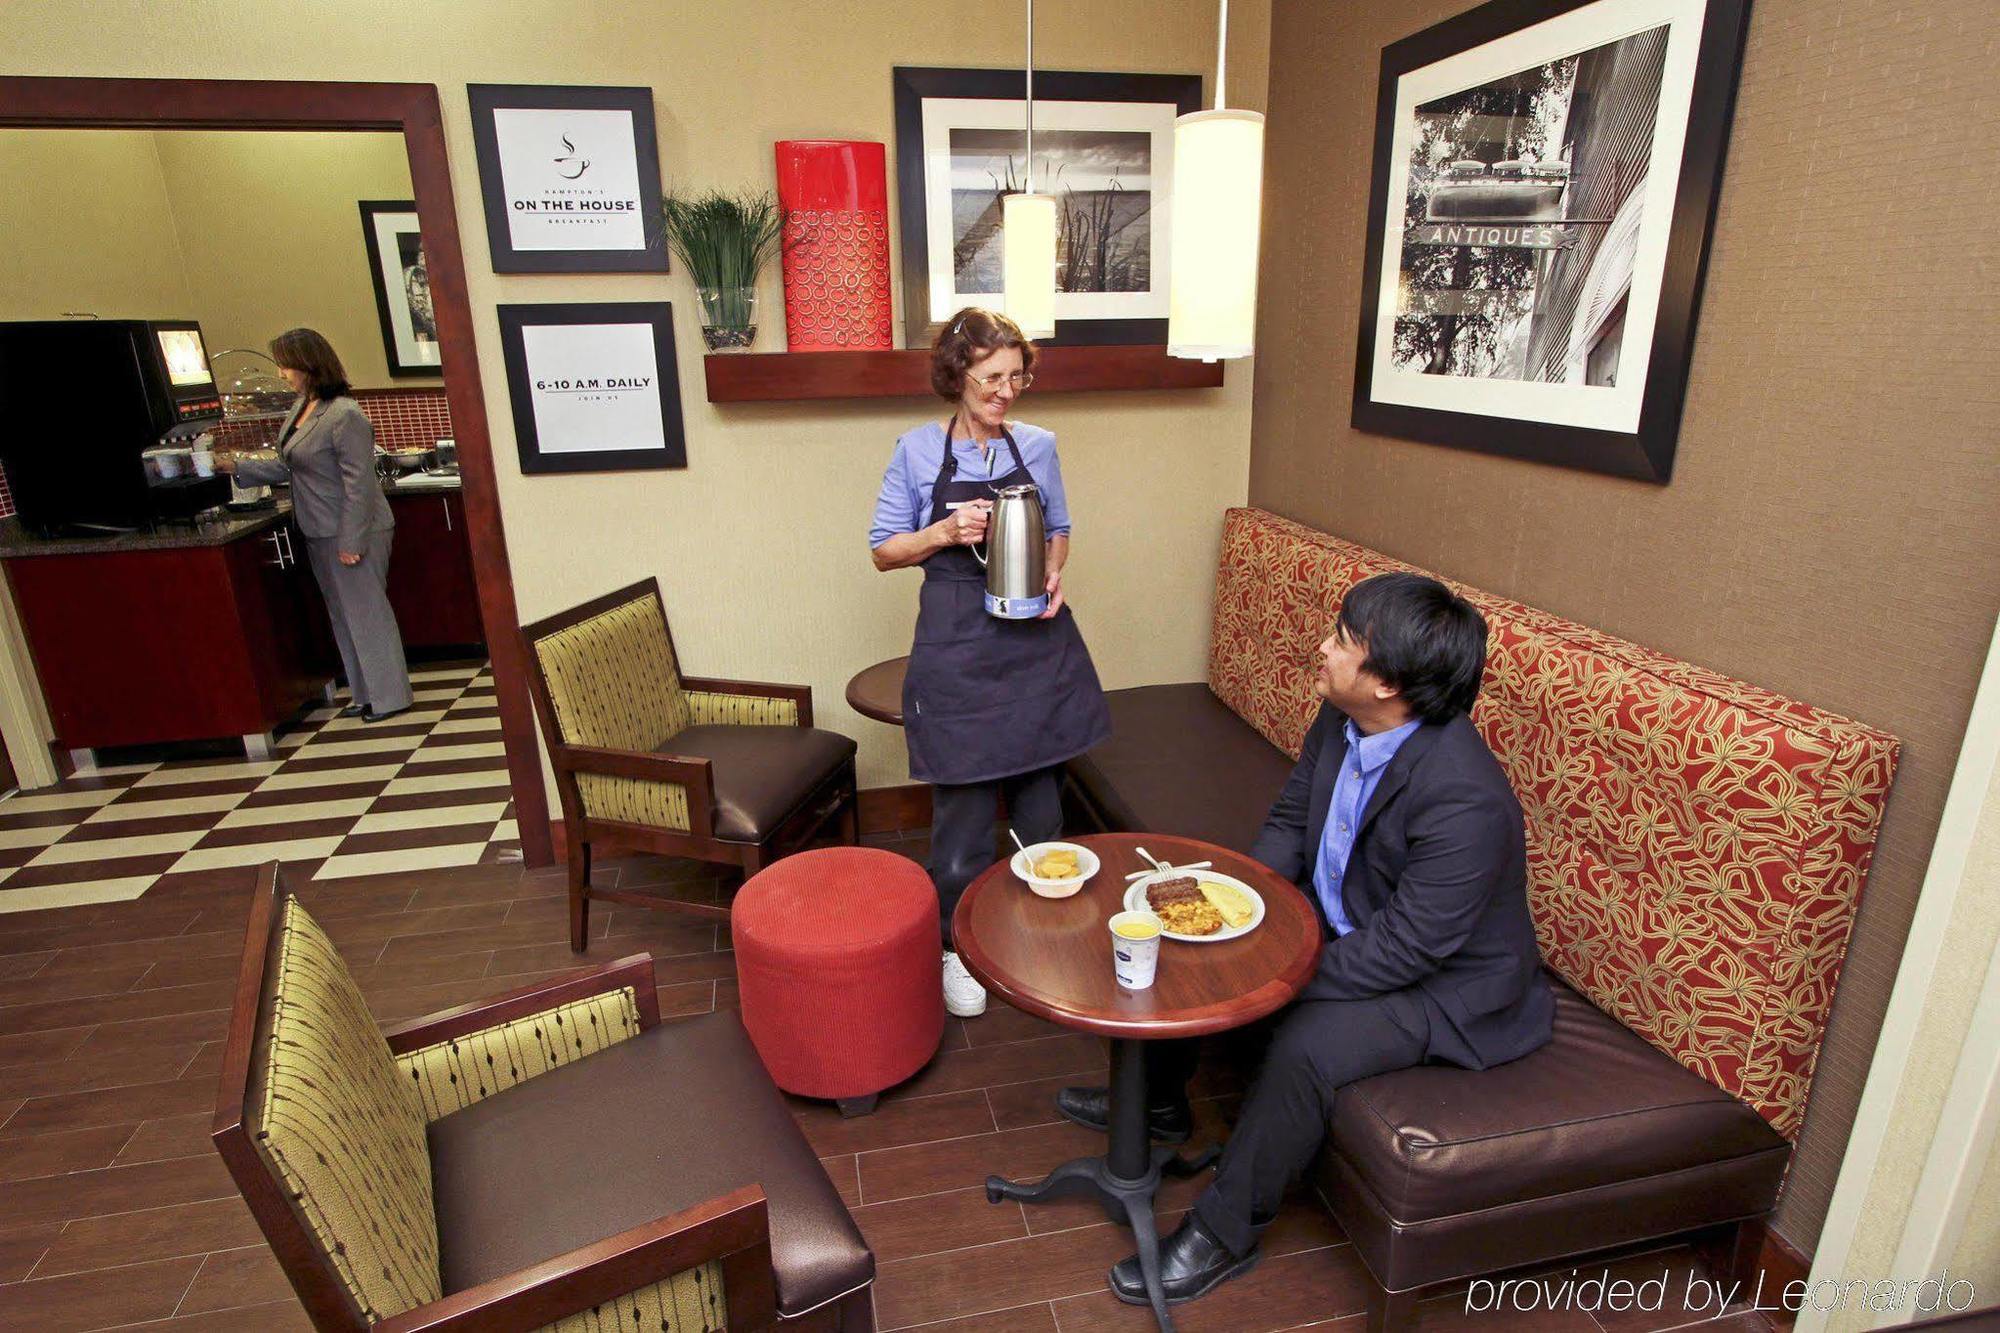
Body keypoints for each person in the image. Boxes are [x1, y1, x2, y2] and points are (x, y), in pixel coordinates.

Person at [1058, 571, 1556, 1306]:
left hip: (1450, 985)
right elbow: (1293, 820)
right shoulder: (1344, 719)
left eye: (1343, 642)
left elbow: (1408, 949)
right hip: (1355, 916)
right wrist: (1240, 908)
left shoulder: (1465, 797)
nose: (1321, 649)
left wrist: (1269, 969)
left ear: (1387, 682)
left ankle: (1223, 1233)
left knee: (1307, 1045)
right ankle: (1159, 1100)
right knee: (1194, 928)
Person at [869, 308, 1112, 1018]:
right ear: (958, 374)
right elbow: (884, 549)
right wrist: (945, 530)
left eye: (1017, 377)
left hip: (1035, 641)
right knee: (963, 823)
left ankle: (1043, 940)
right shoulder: (916, 451)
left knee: (1042, 810)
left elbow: (1059, 527)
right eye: (992, 378)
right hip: (957, 646)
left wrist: (1055, 572)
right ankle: (959, 952)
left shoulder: (1037, 445)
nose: (1007, 391)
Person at [220, 328, 413, 723]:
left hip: (355, 528)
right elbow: (289, 464)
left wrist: (352, 539)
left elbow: (359, 483)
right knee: (342, 614)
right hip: (318, 528)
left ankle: (391, 697)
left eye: (286, 364)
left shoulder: (345, 415)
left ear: (308, 364)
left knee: (367, 613)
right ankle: (364, 694)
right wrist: (238, 468)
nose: (281, 372)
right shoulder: (301, 408)